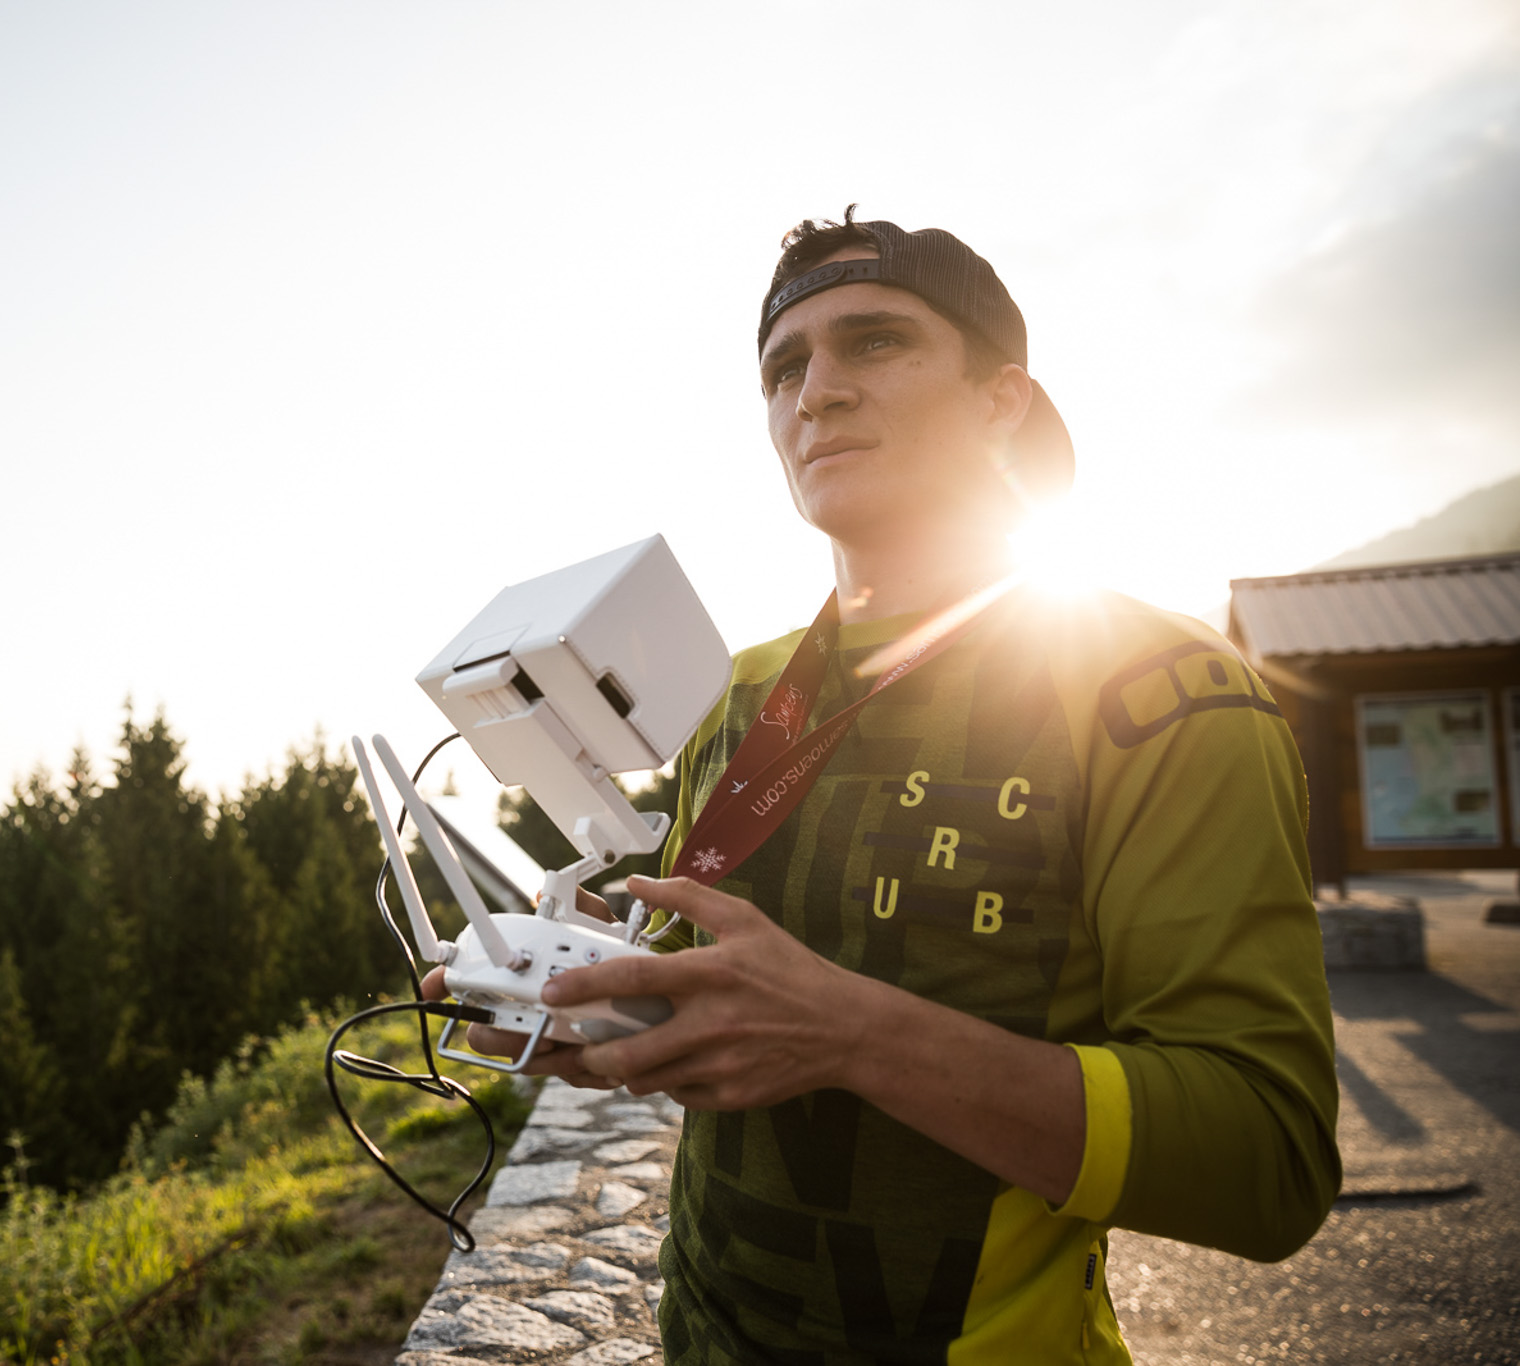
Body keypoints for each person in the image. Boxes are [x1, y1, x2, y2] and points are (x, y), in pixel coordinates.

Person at [425, 209, 1340, 1363]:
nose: (816, 392)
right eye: (783, 366)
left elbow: (1267, 1160)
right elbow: (752, 998)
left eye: (873, 342)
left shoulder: (1162, 689)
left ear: (998, 399)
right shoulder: (737, 691)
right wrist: (617, 990)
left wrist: (849, 1035)